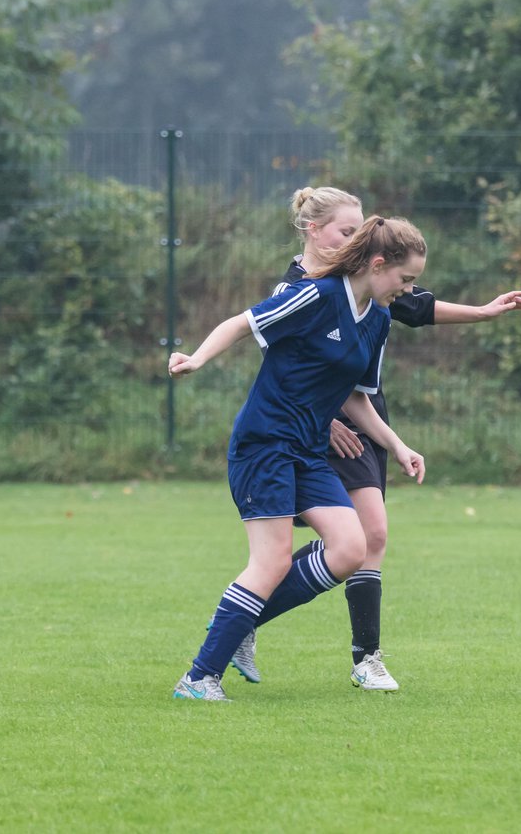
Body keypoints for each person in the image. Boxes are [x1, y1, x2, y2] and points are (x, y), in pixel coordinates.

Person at [223, 186, 521, 692]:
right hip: (320, 429)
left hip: (362, 416)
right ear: (311, 230)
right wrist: (326, 420)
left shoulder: (370, 282)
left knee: (374, 537)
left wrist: (482, 312)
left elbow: (412, 305)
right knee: (338, 543)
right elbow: (293, 372)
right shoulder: (299, 288)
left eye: (362, 229)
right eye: (348, 231)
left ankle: (361, 656)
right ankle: (246, 618)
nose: (359, 239)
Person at [169, 215, 429, 701]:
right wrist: (198, 359)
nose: (408, 289)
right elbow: (242, 323)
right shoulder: (317, 295)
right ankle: (200, 678)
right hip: (265, 443)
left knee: (351, 548)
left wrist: (397, 445)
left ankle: (245, 618)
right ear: (377, 265)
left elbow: (354, 397)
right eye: (405, 278)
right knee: (268, 563)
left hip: (308, 452)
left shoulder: (376, 319)